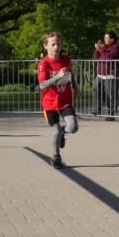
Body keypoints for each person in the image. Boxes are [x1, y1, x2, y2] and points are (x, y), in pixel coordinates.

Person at [37, 32, 79, 169]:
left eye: (58, 44)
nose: (56, 47)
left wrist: (76, 88)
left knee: (73, 127)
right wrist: (57, 77)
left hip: (64, 100)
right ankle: (56, 157)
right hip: (49, 104)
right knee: (55, 131)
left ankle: (63, 133)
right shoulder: (44, 64)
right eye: (53, 44)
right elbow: (42, 85)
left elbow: (70, 75)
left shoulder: (66, 60)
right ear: (46, 46)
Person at [91, 32, 119, 119]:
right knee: (95, 89)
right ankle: (97, 109)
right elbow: (96, 57)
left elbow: (108, 58)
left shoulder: (115, 48)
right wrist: (97, 49)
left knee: (110, 95)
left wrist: (101, 49)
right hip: (100, 75)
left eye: (106, 38)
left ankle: (111, 114)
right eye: (104, 38)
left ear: (112, 39)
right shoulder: (104, 48)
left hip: (110, 75)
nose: (104, 40)